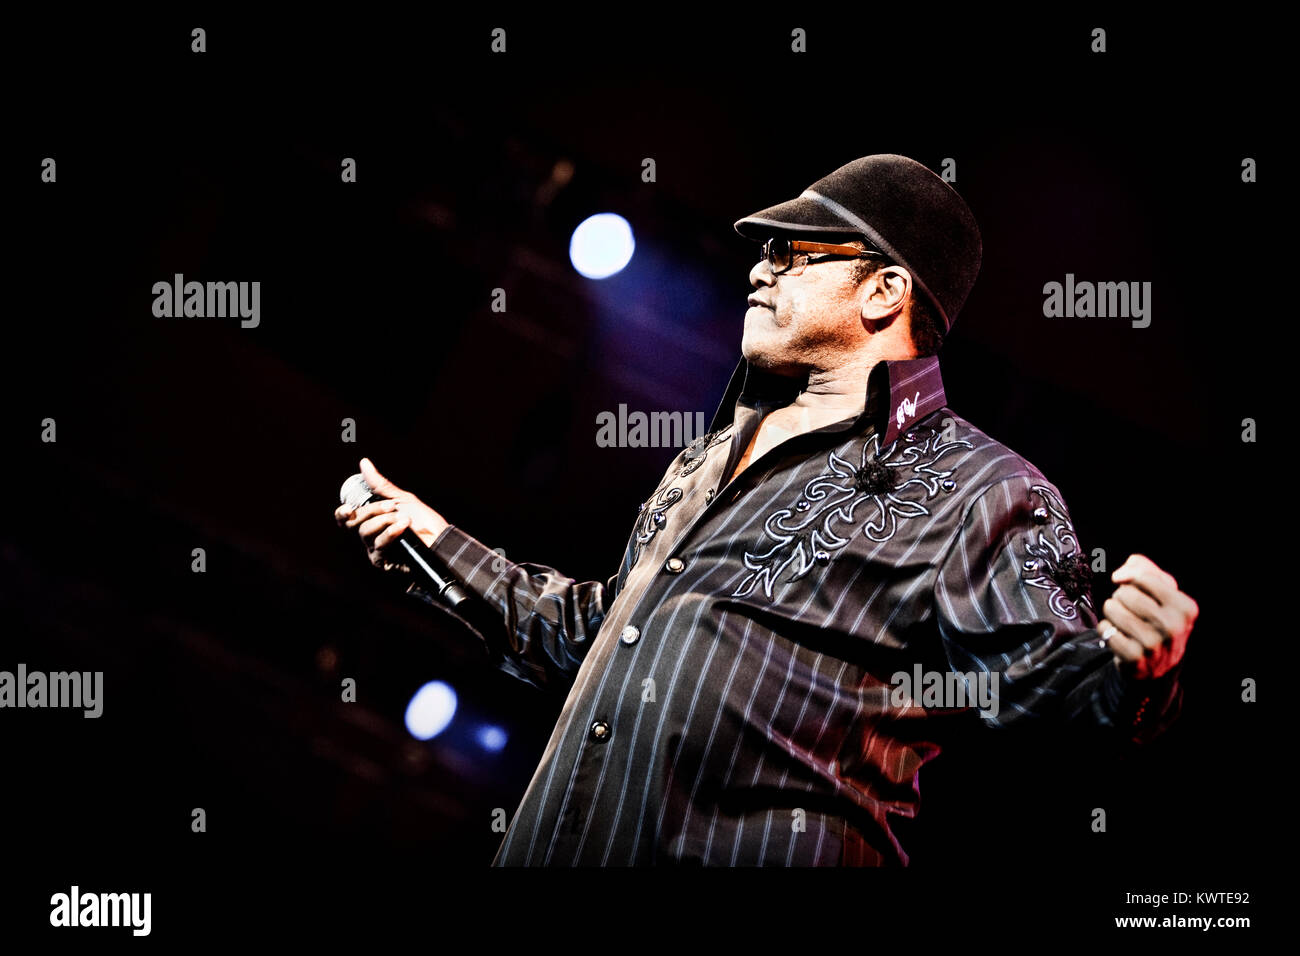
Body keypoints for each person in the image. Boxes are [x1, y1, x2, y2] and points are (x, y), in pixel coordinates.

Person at [334, 154, 1197, 866]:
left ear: (882, 291)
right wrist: (430, 540)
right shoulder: (708, 455)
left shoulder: (984, 485)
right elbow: (594, 638)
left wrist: (1136, 677)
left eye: (793, 254)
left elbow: (1055, 687)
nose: (758, 266)